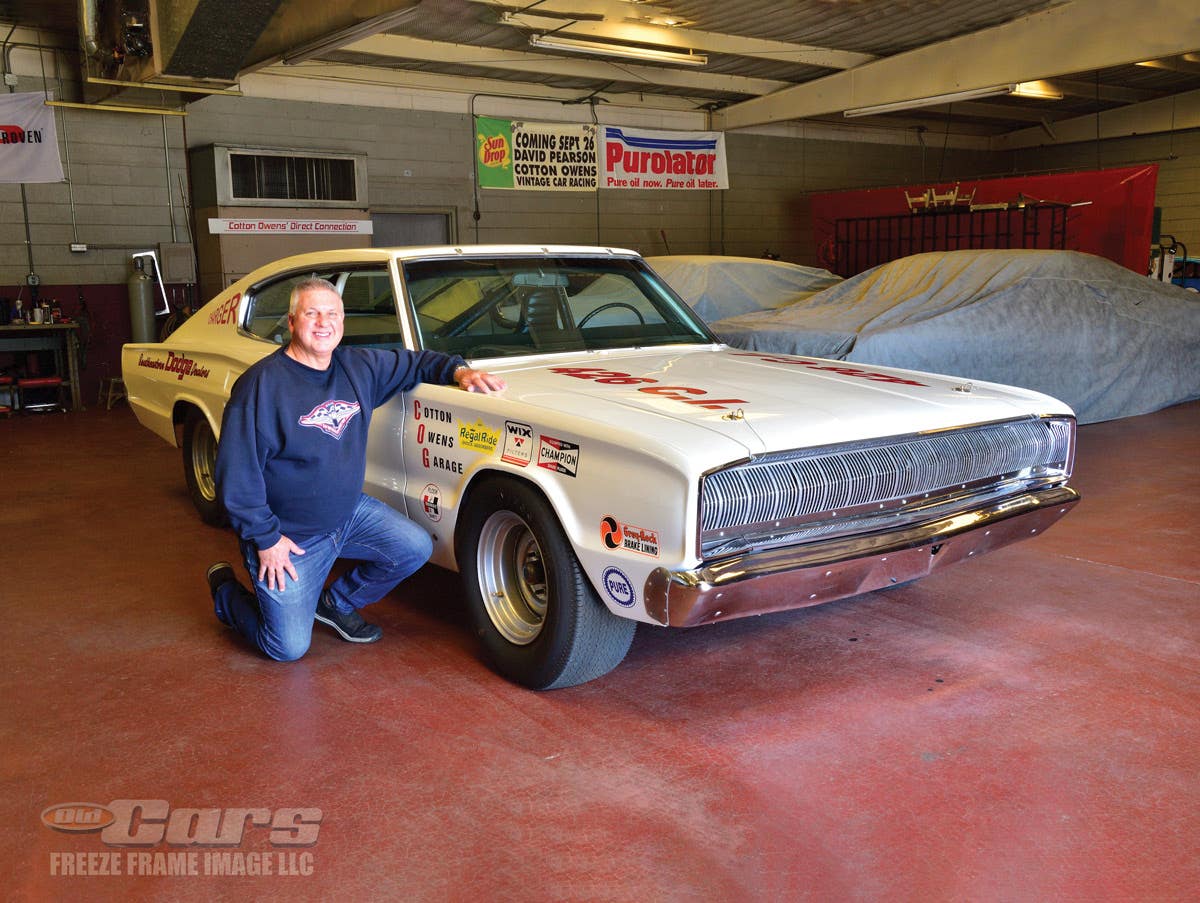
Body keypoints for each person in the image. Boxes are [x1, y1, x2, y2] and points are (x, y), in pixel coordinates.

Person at [206, 276, 506, 661]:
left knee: (414, 547)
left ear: (343, 323)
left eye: (332, 314)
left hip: (348, 516)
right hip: (290, 537)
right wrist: (265, 539)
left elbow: (418, 362)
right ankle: (226, 594)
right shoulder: (260, 387)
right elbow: (235, 476)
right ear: (292, 322)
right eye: (311, 313)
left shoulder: (358, 367)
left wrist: (459, 371)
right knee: (286, 647)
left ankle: (336, 602)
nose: (322, 322)